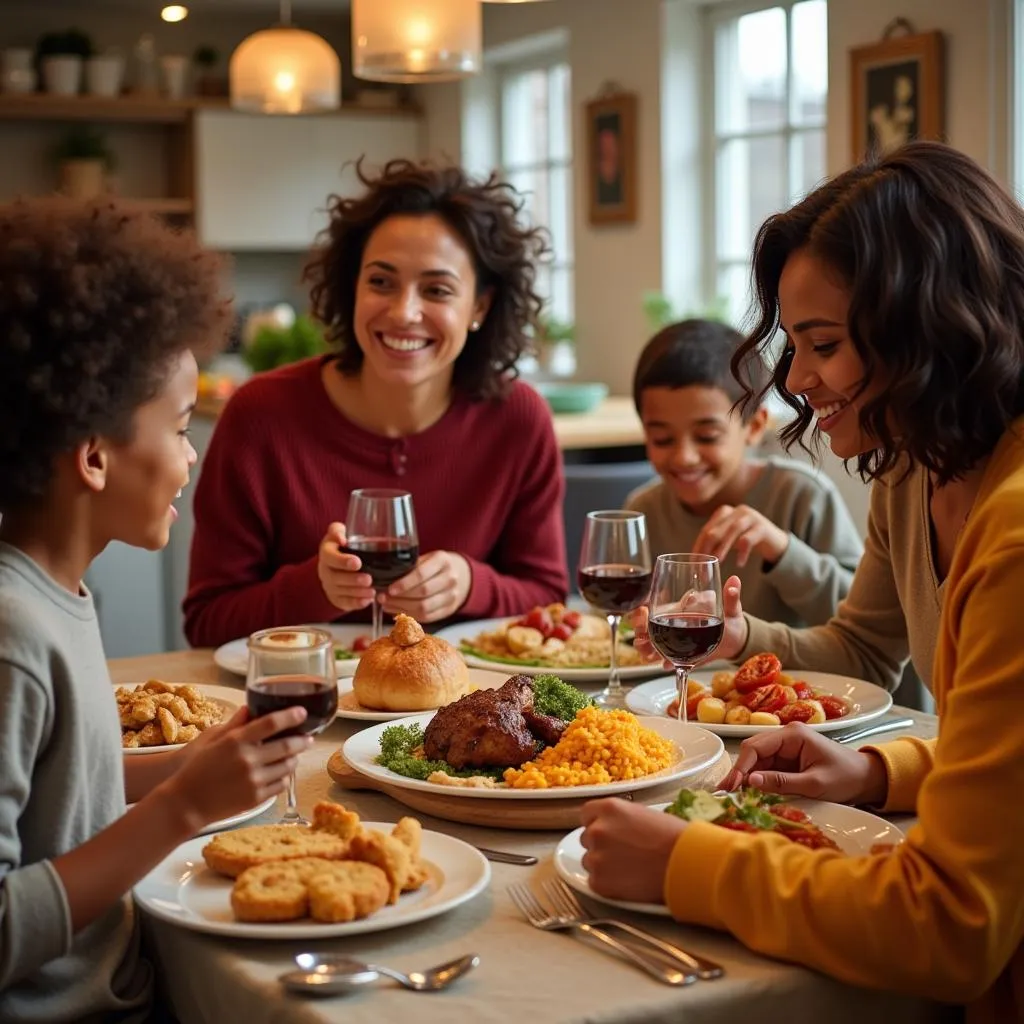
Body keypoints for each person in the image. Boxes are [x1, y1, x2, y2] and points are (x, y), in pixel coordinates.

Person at [581, 142, 1024, 1019]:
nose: (796, 380)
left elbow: (950, 928)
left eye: (822, 344)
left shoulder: (1014, 535)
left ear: (925, 327)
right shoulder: (918, 469)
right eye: (794, 344)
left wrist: (685, 865)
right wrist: (875, 770)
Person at [0, 198, 313, 1022]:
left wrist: (184, 765)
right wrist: (182, 810)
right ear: (95, 457)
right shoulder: (13, 636)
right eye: (179, 426)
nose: (192, 451)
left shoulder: (56, 590)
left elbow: (60, 803)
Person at [184, 160, 568, 649]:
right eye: (381, 282)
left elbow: (548, 597)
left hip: (465, 710)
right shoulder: (260, 416)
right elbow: (207, 622)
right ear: (352, 286)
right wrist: (315, 588)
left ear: (480, 307)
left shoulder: (519, 420)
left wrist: (473, 584)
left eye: (437, 290)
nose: (404, 312)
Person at [624, 318, 861, 629]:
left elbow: (864, 619)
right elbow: (623, 624)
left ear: (755, 426)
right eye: (662, 439)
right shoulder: (643, 511)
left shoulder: (802, 495)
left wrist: (781, 550)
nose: (684, 457)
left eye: (707, 437)